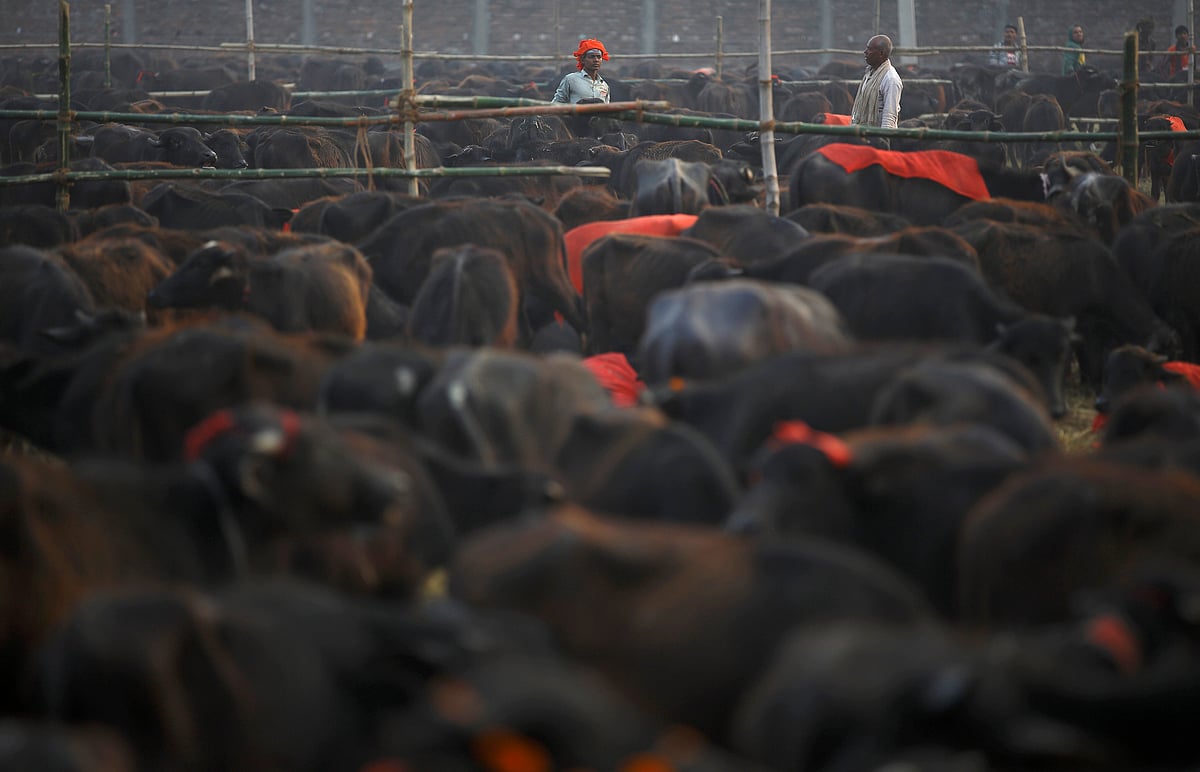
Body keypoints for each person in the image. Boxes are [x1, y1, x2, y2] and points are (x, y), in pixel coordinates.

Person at [850, 34, 903, 135]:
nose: (865, 52)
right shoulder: (869, 73)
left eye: (869, 49)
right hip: (864, 134)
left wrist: (884, 140)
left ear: (881, 54)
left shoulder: (891, 79)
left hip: (876, 136)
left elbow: (889, 116)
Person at [552, 38, 611, 104]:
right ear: (582, 60)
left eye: (599, 57)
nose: (596, 60)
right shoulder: (570, 79)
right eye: (592, 57)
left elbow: (606, 108)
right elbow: (557, 103)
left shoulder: (604, 85)